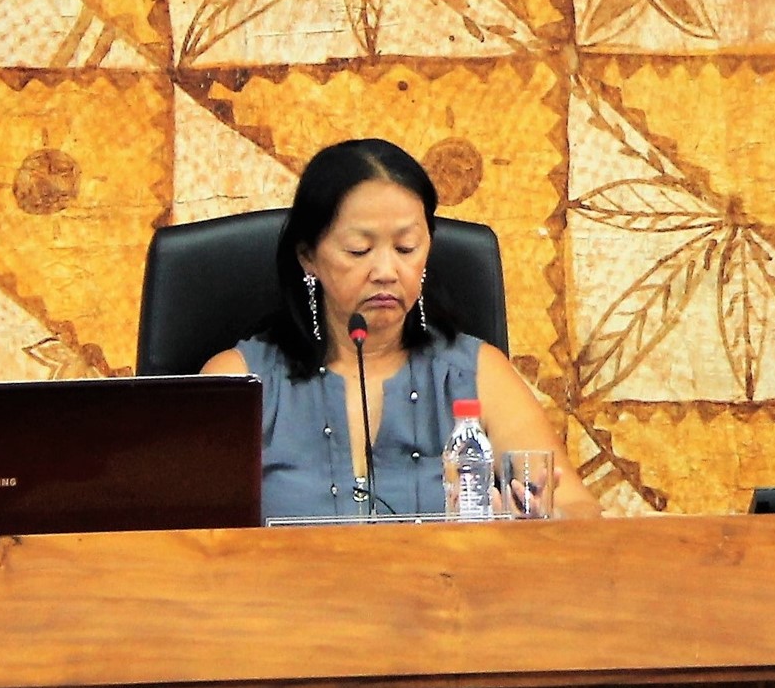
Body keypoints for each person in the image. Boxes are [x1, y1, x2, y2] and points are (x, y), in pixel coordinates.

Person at [202, 138, 602, 521]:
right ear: (308, 257)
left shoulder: (477, 374)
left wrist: (542, 519)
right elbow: (188, 536)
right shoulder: (238, 383)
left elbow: (581, 512)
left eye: (406, 248)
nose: (386, 271)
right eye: (359, 250)